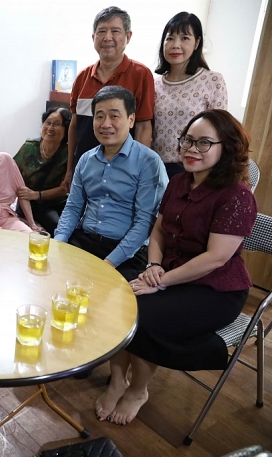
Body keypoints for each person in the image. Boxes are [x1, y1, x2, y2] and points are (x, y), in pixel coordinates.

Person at [96, 109, 257, 425]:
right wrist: (154, 264)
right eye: (187, 140)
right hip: (168, 270)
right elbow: (158, 229)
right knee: (114, 299)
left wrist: (161, 281)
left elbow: (216, 258)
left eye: (204, 143)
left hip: (215, 288)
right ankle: (117, 381)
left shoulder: (237, 195)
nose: (191, 149)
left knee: (142, 317)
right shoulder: (179, 182)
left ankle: (138, 390)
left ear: (227, 147)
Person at [54, 86, 168, 282]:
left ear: (131, 120)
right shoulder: (86, 160)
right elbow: (73, 208)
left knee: (103, 293)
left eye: (114, 116)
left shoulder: (149, 162)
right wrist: (58, 244)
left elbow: (145, 223)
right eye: (99, 116)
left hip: (127, 252)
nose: (106, 124)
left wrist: (109, 263)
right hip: (85, 240)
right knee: (50, 278)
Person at [63, 6, 155, 189]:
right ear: (93, 38)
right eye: (101, 31)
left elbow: (144, 127)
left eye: (115, 31)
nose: (107, 37)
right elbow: (74, 126)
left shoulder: (141, 74)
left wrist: (138, 172)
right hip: (85, 171)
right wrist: (70, 169)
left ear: (128, 36)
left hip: (123, 174)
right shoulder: (82, 77)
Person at [153, 12, 228, 179]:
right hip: (156, 168)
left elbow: (221, 131)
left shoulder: (212, 80)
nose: (175, 45)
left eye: (185, 38)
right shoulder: (154, 85)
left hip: (194, 169)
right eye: (170, 38)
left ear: (197, 43)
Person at [13, 107, 71, 234]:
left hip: (59, 203)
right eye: (48, 123)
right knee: (58, 228)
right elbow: (11, 173)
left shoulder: (68, 153)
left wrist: (37, 194)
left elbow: (65, 188)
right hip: (31, 204)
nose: (50, 128)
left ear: (66, 129)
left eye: (57, 124)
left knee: (73, 228)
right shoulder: (29, 147)